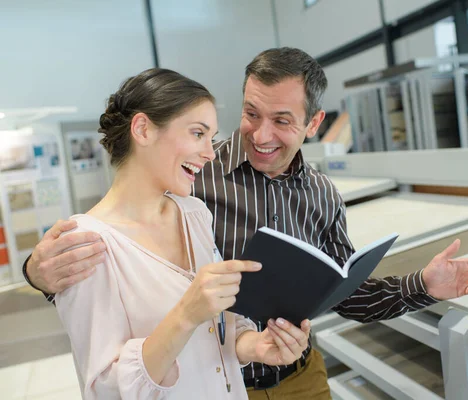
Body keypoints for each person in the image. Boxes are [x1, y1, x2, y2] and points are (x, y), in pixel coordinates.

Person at [24, 48, 468, 400]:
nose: (260, 134)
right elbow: (118, 255)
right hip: (208, 381)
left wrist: (422, 285)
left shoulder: (319, 194)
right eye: (251, 114)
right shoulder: (190, 179)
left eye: (282, 120)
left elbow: (344, 290)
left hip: (291, 371)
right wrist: (37, 272)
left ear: (313, 123)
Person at [52, 68, 311, 399]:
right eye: (198, 133)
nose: (210, 152)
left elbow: (217, 327)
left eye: (211, 136)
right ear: (143, 129)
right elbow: (106, 389)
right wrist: (186, 313)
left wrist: (255, 345)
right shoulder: (87, 242)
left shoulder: (195, 213)